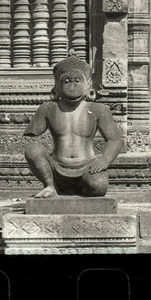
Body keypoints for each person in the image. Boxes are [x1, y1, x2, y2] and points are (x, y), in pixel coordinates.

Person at [23, 56, 124, 198]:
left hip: (87, 167)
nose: (72, 86)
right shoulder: (48, 109)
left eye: (78, 81)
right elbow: (33, 136)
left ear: (88, 84)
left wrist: (105, 159)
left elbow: (115, 140)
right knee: (32, 149)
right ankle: (50, 186)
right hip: (56, 168)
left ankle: (80, 191)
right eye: (66, 81)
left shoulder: (98, 109)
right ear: (57, 85)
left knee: (99, 186)